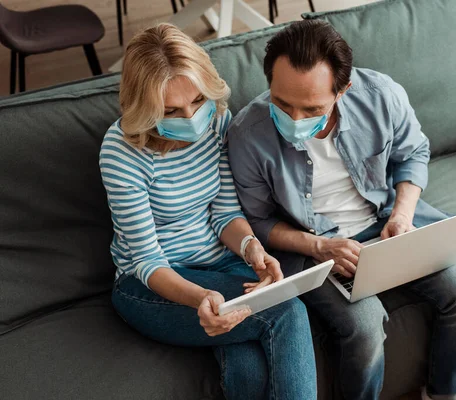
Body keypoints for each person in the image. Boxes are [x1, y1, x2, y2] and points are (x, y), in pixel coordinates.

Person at [228, 20, 456, 400]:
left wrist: (401, 214)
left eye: (312, 107)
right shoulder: (247, 134)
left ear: (343, 91)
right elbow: (259, 221)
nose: (295, 120)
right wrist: (320, 248)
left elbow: (413, 153)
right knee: (365, 327)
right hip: (313, 247)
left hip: (385, 222)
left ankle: (445, 393)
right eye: (282, 104)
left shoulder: (381, 94)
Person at [99, 23, 316, 400]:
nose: (192, 119)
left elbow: (224, 212)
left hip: (223, 266)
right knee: (288, 312)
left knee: (248, 371)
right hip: (150, 282)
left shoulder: (217, 119)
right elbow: (148, 261)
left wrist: (252, 248)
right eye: (171, 111)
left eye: (197, 101)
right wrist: (201, 297)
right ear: (145, 108)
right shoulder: (121, 155)